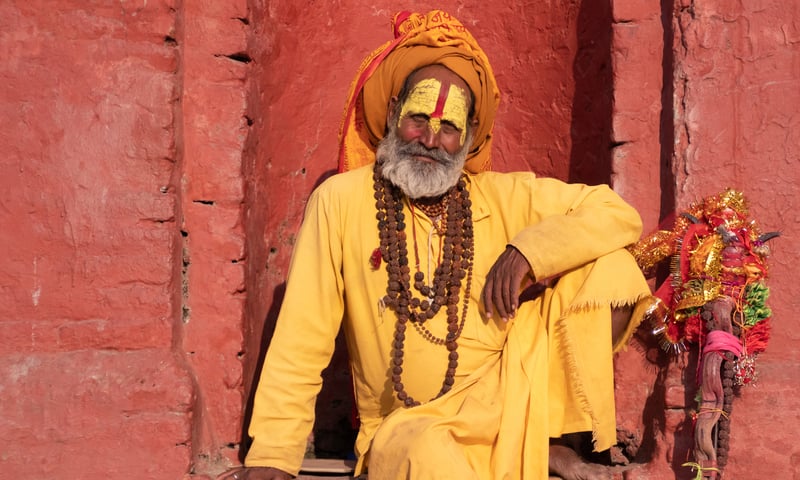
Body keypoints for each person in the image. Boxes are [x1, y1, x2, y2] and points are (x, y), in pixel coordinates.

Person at [222, 10, 651, 480]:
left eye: (449, 128)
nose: (430, 139)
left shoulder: (499, 195)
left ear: (466, 138)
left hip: (507, 396)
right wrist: (272, 457)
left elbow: (617, 214)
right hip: (406, 424)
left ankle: (541, 435)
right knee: (426, 449)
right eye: (418, 119)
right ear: (391, 115)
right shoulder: (341, 200)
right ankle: (524, 453)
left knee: (615, 271)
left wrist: (529, 251)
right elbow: (301, 338)